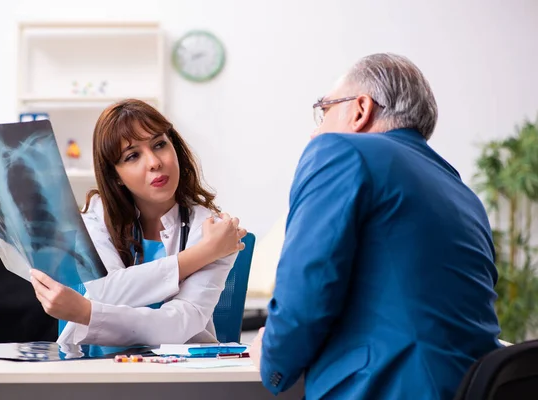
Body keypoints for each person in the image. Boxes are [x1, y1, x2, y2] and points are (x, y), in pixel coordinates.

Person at [249, 53, 501, 399]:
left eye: (324, 111)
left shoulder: (339, 150)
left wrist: (272, 361)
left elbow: (309, 284)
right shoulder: (461, 191)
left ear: (360, 109)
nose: (315, 130)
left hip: (384, 387)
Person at [30, 99, 246, 347]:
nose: (154, 162)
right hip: (90, 365)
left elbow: (177, 326)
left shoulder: (212, 228)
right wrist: (203, 253)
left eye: (159, 144)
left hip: (176, 374)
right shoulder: (96, 216)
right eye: (132, 156)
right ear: (116, 176)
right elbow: (109, 292)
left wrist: (87, 313)